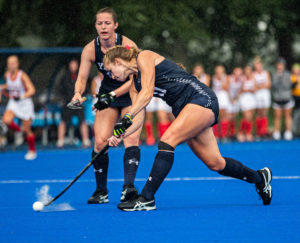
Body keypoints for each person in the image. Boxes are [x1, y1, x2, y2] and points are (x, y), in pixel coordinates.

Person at [103, 46, 272, 211]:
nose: (112, 76)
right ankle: (259, 178)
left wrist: (126, 117)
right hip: (185, 110)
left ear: (118, 61)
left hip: (200, 99)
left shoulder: (144, 57)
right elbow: (139, 117)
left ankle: (147, 198)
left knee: (167, 141)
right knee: (215, 163)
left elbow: (147, 94)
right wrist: (123, 134)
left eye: (111, 71)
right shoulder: (134, 85)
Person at [71, 7, 142, 204]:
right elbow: (82, 77)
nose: (103, 27)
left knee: (130, 137)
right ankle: (101, 191)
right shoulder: (90, 49)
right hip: (107, 95)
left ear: (115, 25)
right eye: (100, 23)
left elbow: (137, 77)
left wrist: (112, 95)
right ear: (96, 26)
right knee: (100, 142)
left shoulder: (127, 46)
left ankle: (129, 187)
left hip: (130, 93)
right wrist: (78, 92)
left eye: (107, 23)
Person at [0, 55, 37, 160]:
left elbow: (32, 90)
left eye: (13, 63)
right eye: (9, 63)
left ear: (17, 64)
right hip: (14, 103)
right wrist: (2, 87)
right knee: (6, 120)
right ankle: (19, 131)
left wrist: (21, 96)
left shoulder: (22, 75)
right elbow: (10, 86)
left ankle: (32, 150)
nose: (11, 65)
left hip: (25, 103)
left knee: (27, 130)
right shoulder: (7, 75)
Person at [56, 59, 91, 148]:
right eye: (71, 64)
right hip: (68, 103)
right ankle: (60, 141)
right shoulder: (64, 76)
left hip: (79, 103)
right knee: (63, 121)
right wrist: (64, 99)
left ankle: (86, 140)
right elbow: (60, 89)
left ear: (78, 65)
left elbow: (86, 89)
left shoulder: (81, 75)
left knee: (82, 121)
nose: (73, 66)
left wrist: (81, 99)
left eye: (75, 64)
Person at [271, 58, 293, 140]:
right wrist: (279, 76)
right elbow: (274, 85)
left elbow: (287, 85)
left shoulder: (288, 74)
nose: (280, 66)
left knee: (287, 116)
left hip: (286, 97)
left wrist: (281, 76)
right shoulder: (274, 74)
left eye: (281, 65)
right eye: (278, 65)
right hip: (277, 98)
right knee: (277, 116)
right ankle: (277, 132)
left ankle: (288, 132)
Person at [253, 57, 271, 138]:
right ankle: (259, 132)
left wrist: (260, 86)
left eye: (259, 64)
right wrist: (262, 86)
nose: (258, 66)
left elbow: (269, 84)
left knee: (265, 112)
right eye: (256, 64)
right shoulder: (253, 74)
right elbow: (254, 86)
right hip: (258, 95)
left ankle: (264, 131)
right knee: (259, 112)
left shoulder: (266, 73)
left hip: (265, 94)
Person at [237, 66, 256, 142]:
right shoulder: (242, 79)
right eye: (246, 71)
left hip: (251, 98)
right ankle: (240, 132)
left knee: (250, 117)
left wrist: (248, 90)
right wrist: (246, 90)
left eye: (249, 70)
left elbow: (255, 89)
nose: (248, 72)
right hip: (244, 98)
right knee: (246, 116)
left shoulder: (253, 78)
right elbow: (240, 89)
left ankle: (248, 133)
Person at [212, 65, 230, 140]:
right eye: (217, 70)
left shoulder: (226, 77)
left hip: (223, 97)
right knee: (215, 115)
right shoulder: (213, 77)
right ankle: (215, 134)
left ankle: (223, 134)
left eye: (220, 70)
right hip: (216, 96)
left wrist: (221, 79)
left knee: (224, 115)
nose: (219, 72)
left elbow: (226, 87)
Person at [227, 67, 243, 139]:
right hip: (229, 98)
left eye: (239, 74)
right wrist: (230, 98)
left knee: (235, 116)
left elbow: (241, 89)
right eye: (237, 74)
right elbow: (226, 88)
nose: (238, 76)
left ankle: (233, 133)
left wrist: (237, 97)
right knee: (229, 116)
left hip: (236, 99)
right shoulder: (230, 78)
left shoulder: (241, 80)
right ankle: (227, 133)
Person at [291, 63, 300, 137]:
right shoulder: (292, 77)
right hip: (295, 98)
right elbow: (290, 87)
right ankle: (294, 131)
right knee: (295, 115)